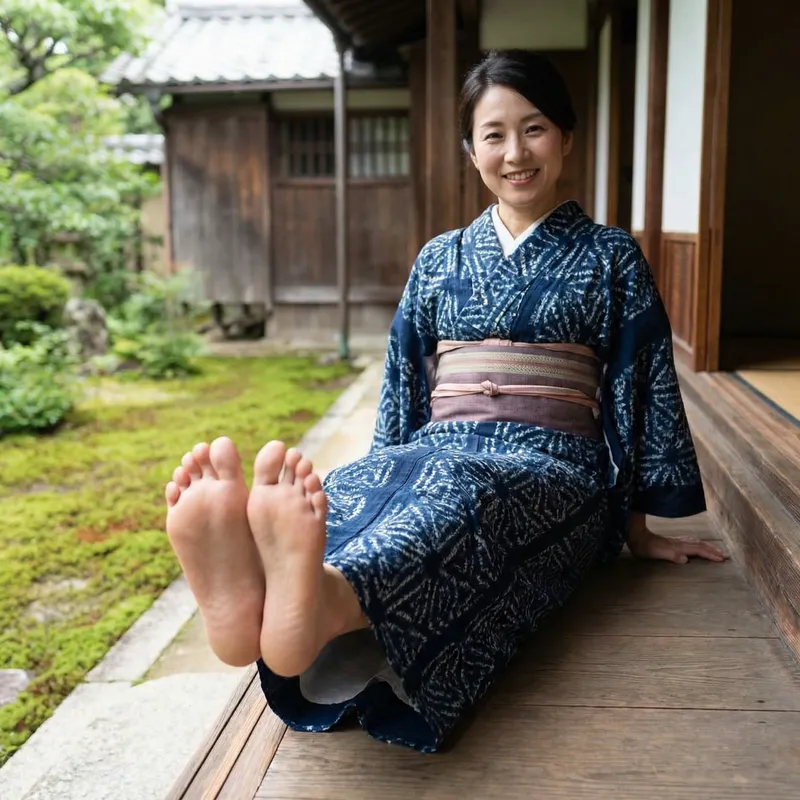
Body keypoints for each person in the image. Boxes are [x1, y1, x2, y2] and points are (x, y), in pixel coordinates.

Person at [164, 50, 726, 754]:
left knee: (464, 502)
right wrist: (388, 466)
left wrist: (638, 528)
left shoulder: (610, 255)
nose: (515, 153)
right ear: (471, 151)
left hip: (553, 465)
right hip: (440, 441)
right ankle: (257, 593)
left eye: (535, 129)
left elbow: (640, 388)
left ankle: (322, 602)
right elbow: (404, 380)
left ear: (567, 138)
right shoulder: (438, 259)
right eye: (494, 135)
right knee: (367, 485)